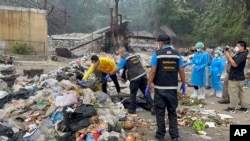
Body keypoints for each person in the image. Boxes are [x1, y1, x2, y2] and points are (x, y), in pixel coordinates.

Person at [146, 33, 186, 141]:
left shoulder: (157, 54)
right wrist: (183, 83)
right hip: (172, 89)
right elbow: (181, 70)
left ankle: (160, 136)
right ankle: (175, 136)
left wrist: (148, 85)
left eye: (158, 42)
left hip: (160, 88)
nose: (158, 44)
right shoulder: (177, 54)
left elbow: (153, 71)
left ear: (161, 43)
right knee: (172, 112)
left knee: (160, 112)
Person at [110, 47, 155, 115]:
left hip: (135, 77)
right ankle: (152, 107)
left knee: (133, 93)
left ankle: (132, 109)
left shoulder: (124, 57)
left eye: (119, 54)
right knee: (146, 92)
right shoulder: (134, 55)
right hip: (142, 74)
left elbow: (118, 68)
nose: (119, 56)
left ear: (122, 52)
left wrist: (110, 74)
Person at [224, 41, 248, 113]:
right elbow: (231, 60)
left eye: (238, 46)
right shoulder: (239, 54)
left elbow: (235, 64)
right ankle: (244, 107)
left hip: (236, 76)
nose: (236, 47)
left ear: (242, 47)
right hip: (238, 77)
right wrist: (228, 54)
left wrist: (228, 56)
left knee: (233, 92)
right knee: (241, 93)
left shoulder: (243, 55)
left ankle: (232, 108)